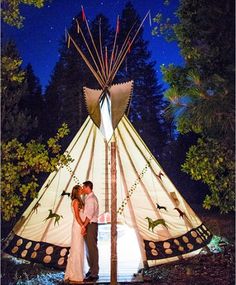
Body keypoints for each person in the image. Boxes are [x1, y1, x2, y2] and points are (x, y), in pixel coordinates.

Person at [64, 185, 86, 283]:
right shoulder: (76, 202)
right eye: (81, 189)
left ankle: (77, 272)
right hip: (77, 226)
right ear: (77, 191)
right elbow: (77, 216)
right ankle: (74, 275)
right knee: (76, 249)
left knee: (79, 249)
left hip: (79, 225)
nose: (82, 190)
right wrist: (83, 226)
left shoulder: (80, 201)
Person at [82, 180, 99, 282]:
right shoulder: (89, 198)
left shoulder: (91, 199)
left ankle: (94, 273)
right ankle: (91, 269)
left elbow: (89, 215)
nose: (83, 189)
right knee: (89, 248)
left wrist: (84, 226)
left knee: (92, 248)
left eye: (83, 187)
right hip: (89, 225)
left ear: (88, 187)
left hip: (91, 225)